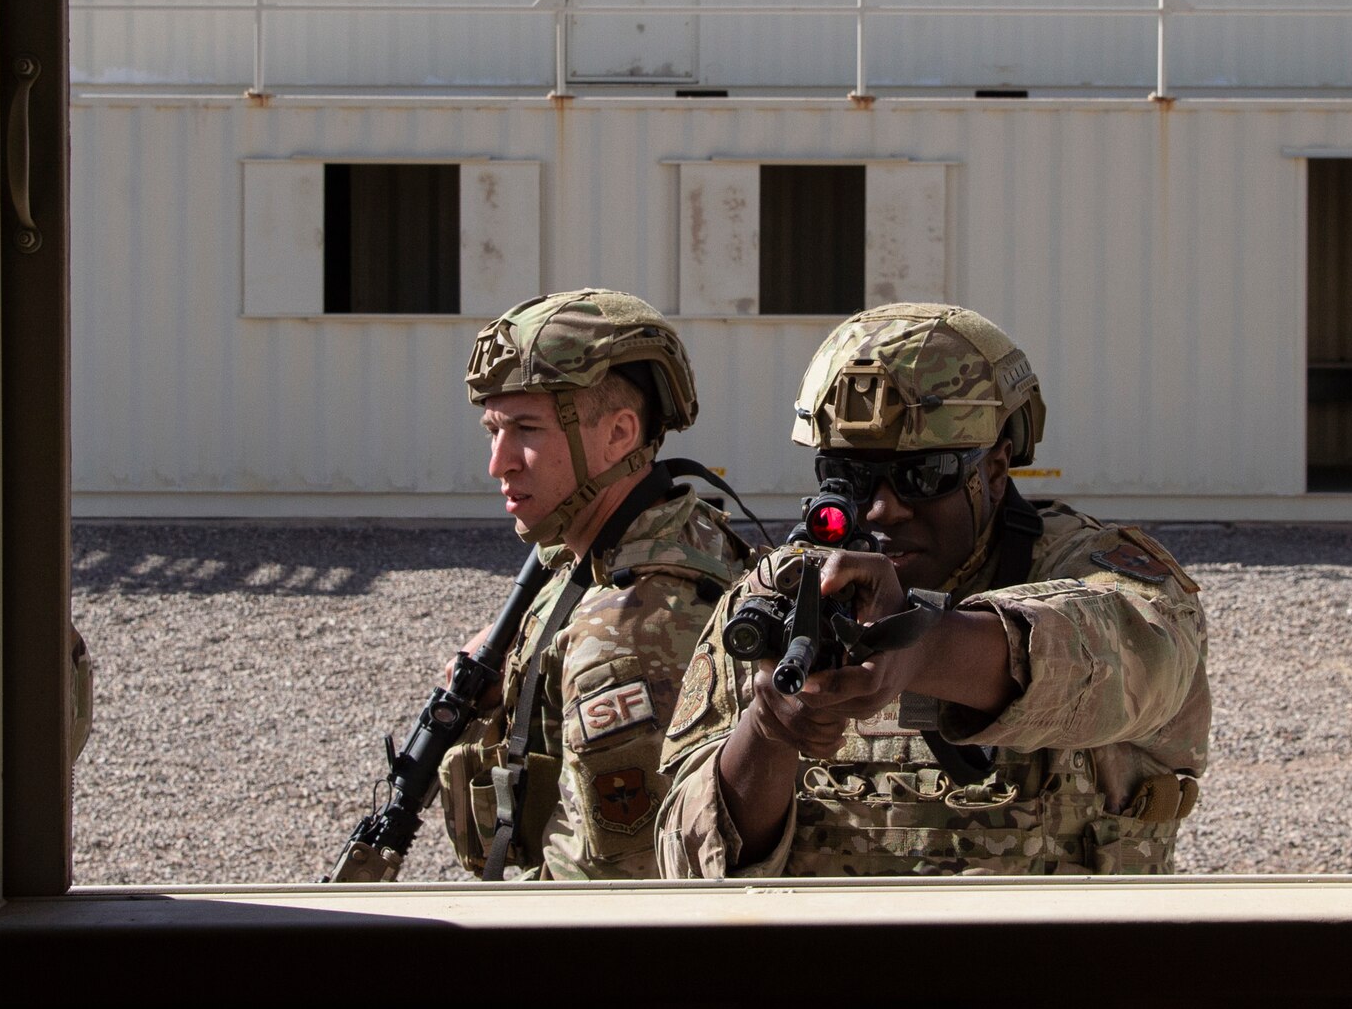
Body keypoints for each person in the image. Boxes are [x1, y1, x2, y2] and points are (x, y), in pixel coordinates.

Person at [656, 303, 1211, 877]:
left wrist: (926, 649)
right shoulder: (784, 597)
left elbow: (1144, 656)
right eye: (850, 479)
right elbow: (687, 870)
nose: (882, 508)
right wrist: (767, 731)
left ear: (995, 471)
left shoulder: (1088, 566)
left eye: (925, 476)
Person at [437, 288, 754, 880]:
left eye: (526, 429)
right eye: (493, 429)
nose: (499, 462)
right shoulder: (651, 533)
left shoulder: (626, 630)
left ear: (619, 434)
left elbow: (604, 893)